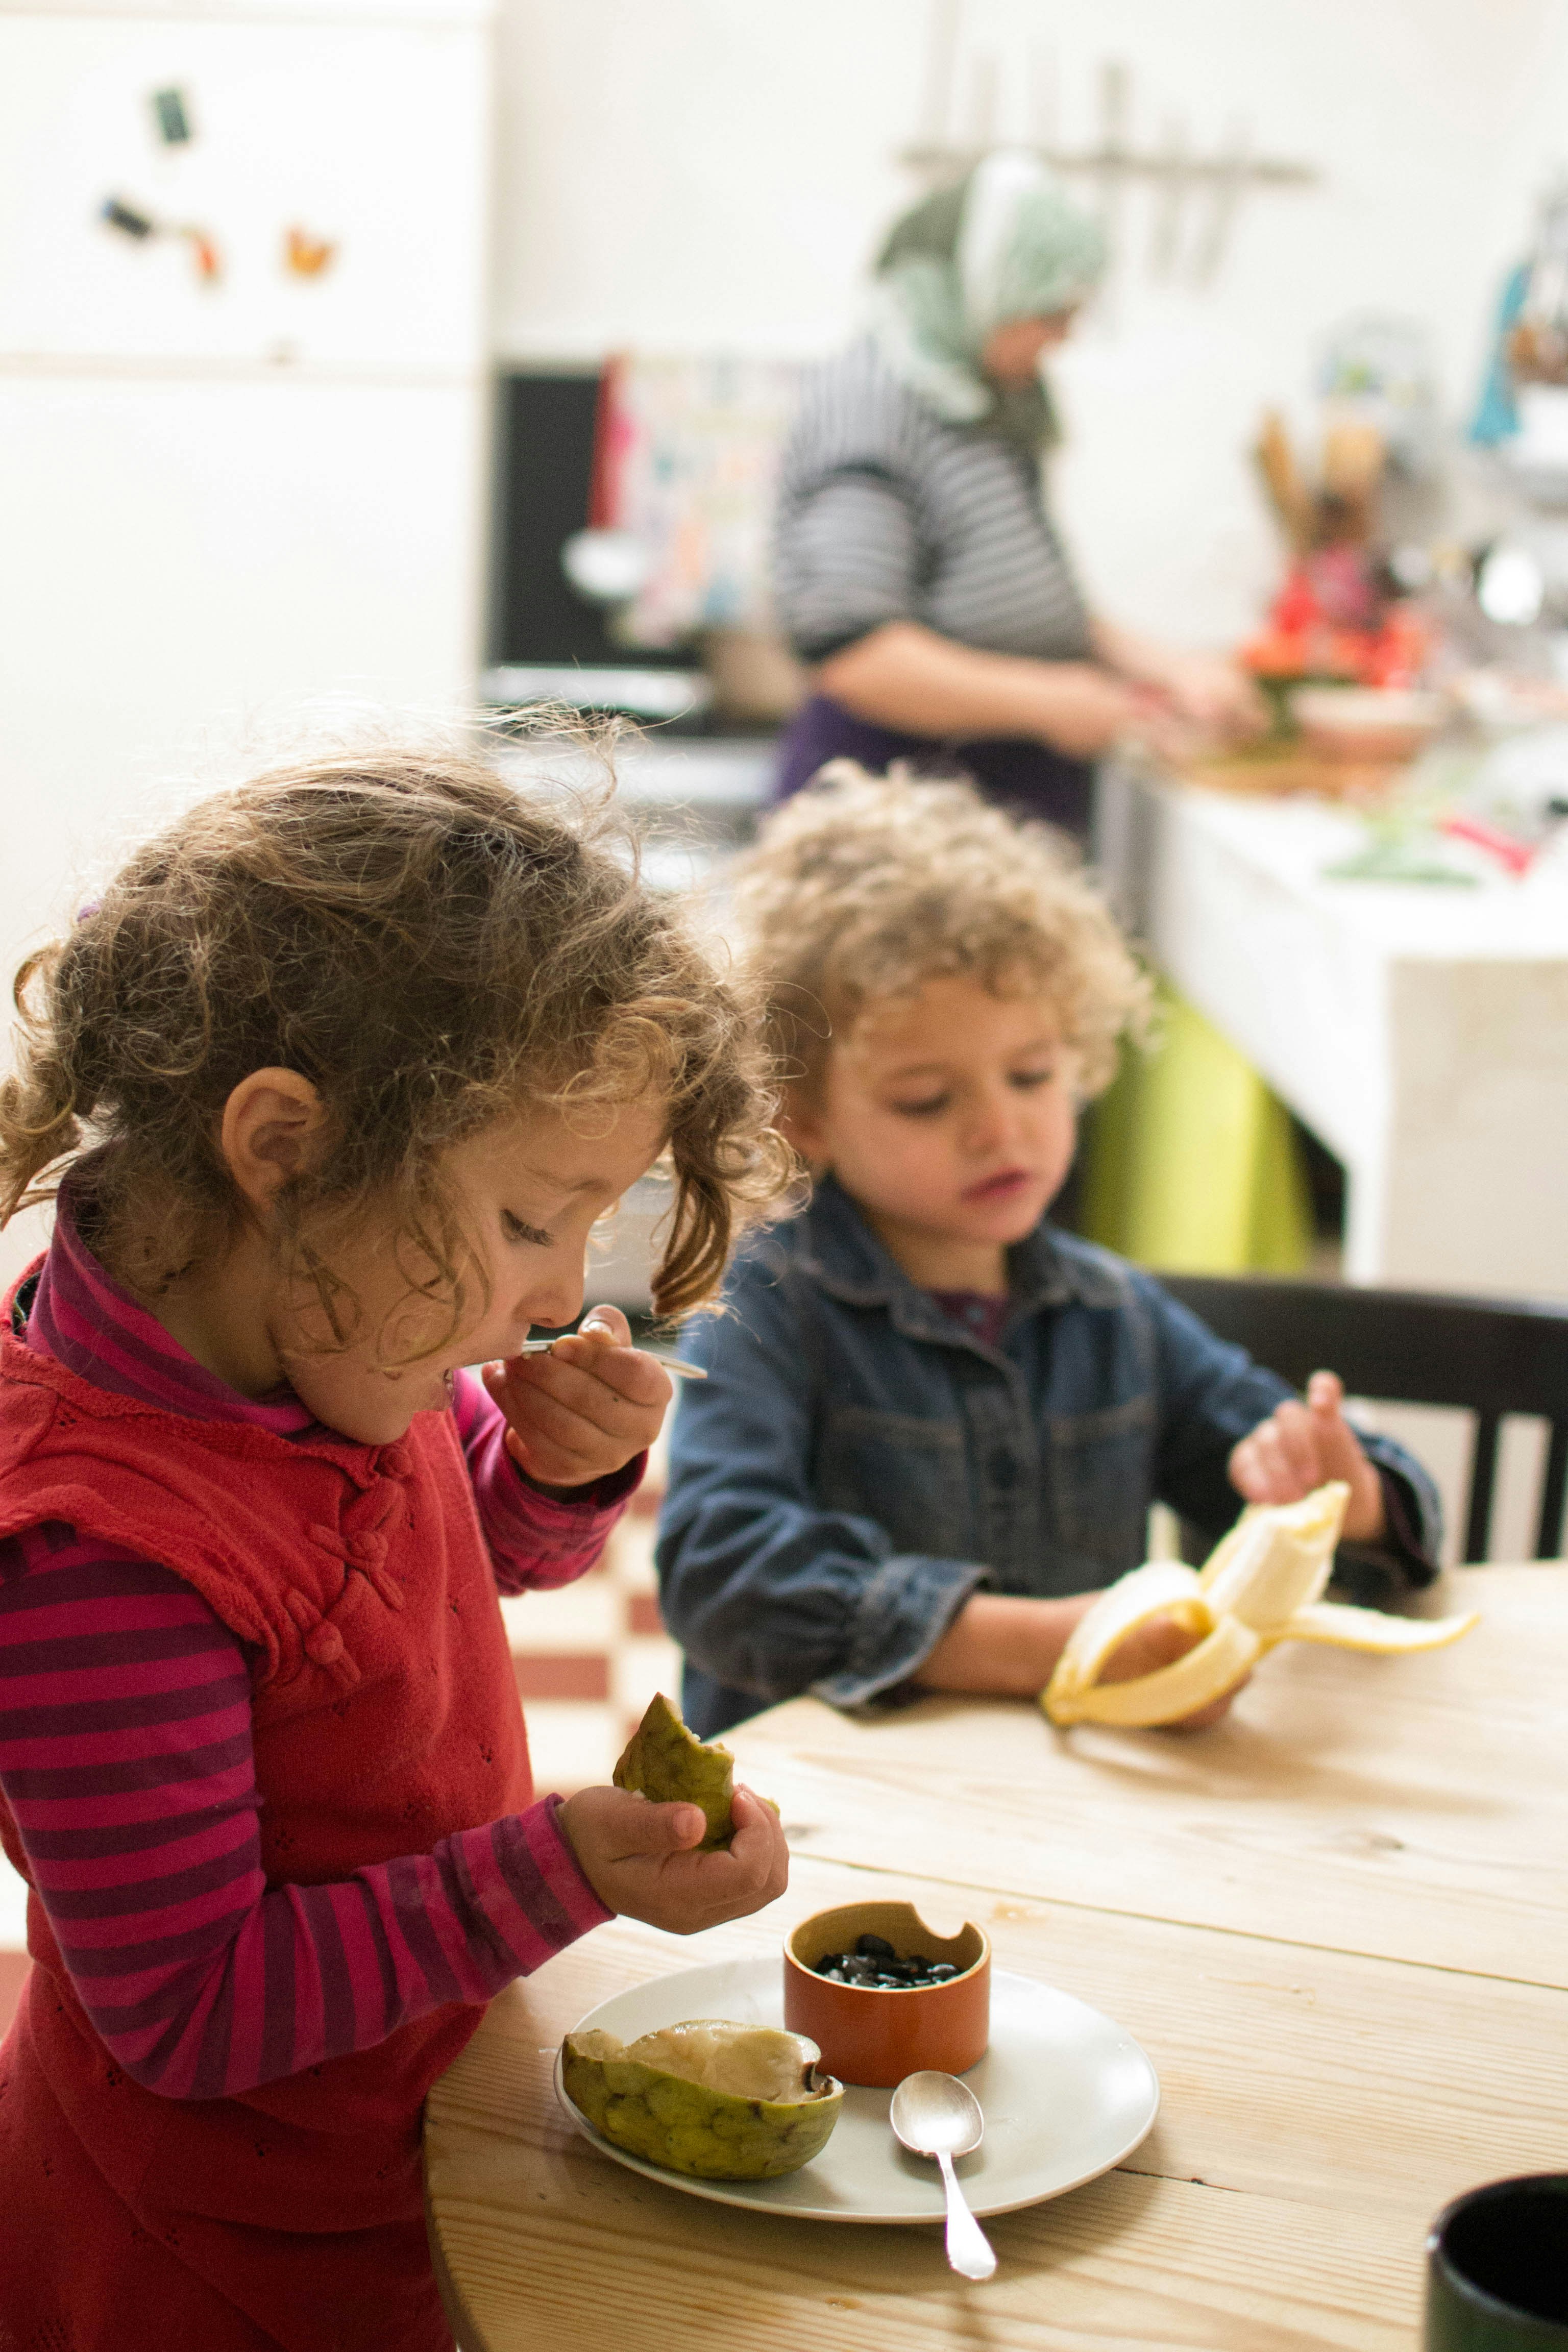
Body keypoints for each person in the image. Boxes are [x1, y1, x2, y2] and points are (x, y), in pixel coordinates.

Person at [0, 745, 790, 2350]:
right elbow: (191, 2013)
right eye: (526, 1221)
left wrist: (560, 1475)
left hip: (419, 2115)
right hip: (227, 2245)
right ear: (281, 1148)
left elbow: (444, 1561)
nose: (562, 1293)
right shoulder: (100, 1561)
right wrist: (552, 1872)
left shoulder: (310, 1336)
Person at [656, 769, 1440, 1738]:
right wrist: (1049, 1644)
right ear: (800, 1115)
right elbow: (724, 1578)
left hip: (1066, 1820)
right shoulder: (773, 1304)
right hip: (833, 1818)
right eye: (927, 1100)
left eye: (1031, 1075)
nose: (1001, 1129)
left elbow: (1360, 1514)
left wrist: (1351, 1496)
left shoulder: (1115, 1313)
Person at [771, 150, 1264, 834]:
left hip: (983, 803)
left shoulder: (978, 399)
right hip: (896, 813)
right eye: (1049, 310)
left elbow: (1010, 596)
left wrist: (1166, 666)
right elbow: (855, 654)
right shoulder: (874, 403)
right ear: (980, 291)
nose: (1065, 334)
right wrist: (1055, 701)